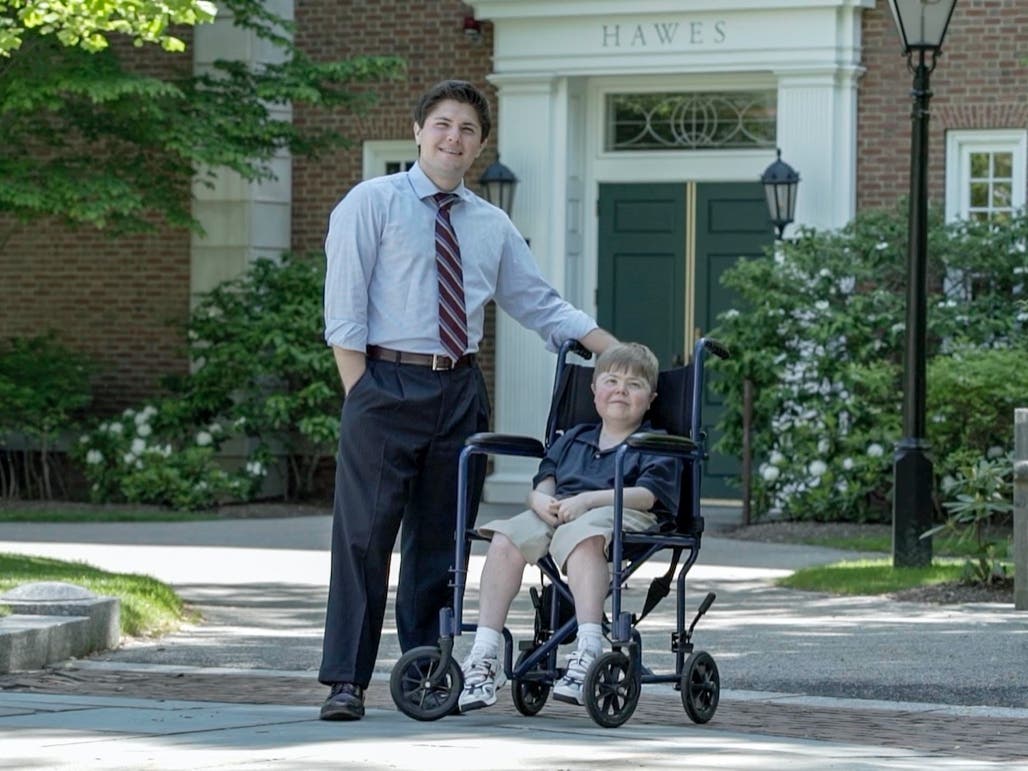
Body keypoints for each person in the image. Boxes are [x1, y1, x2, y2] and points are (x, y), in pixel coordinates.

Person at [318, 79, 617, 721]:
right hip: (384, 384)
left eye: (468, 130)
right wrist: (361, 396)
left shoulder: (491, 224)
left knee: (441, 541)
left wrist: (611, 350)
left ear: (480, 144)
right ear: (419, 132)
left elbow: (539, 305)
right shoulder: (369, 204)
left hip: (458, 390)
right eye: (443, 125)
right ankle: (346, 681)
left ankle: (426, 672)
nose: (454, 138)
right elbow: (343, 313)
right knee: (364, 540)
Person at [458, 342, 679, 712]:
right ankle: (484, 653)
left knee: (584, 535)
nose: (621, 390)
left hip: (620, 512)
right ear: (594, 391)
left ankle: (590, 647)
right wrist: (539, 501)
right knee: (505, 539)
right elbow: (545, 480)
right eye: (611, 380)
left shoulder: (653, 443)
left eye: (634, 384)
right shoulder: (574, 437)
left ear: (651, 398)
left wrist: (590, 500)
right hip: (562, 513)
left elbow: (649, 495)